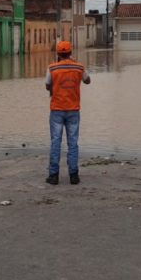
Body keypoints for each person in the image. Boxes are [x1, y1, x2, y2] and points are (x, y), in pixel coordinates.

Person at [44, 40, 91, 185]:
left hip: (57, 110)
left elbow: (47, 85)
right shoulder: (79, 67)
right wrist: (75, 65)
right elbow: (87, 80)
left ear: (58, 54)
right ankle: (73, 176)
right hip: (73, 110)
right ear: (71, 52)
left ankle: (53, 176)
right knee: (73, 143)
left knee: (55, 142)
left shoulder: (52, 68)